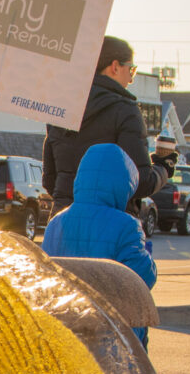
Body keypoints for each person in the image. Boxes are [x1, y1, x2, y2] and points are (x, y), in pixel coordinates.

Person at [42, 36, 178, 216]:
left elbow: (50, 180)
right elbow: (141, 182)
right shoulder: (125, 111)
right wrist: (164, 167)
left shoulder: (62, 108)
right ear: (115, 67)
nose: (131, 79)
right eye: (131, 70)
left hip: (63, 224)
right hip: (112, 225)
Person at [42, 142, 156, 349]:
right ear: (124, 185)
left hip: (65, 331)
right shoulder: (127, 225)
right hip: (113, 337)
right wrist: (148, 257)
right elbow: (141, 280)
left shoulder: (55, 223)